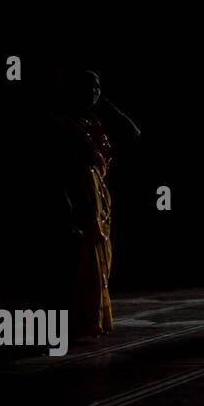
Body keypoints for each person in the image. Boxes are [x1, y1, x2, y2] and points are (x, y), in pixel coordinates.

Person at [50, 70, 139, 337]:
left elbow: (133, 132)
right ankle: (67, 324)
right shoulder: (58, 123)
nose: (92, 94)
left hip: (98, 199)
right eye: (86, 89)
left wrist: (101, 101)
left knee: (97, 259)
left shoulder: (93, 122)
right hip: (74, 197)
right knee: (73, 261)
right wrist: (64, 208)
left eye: (97, 89)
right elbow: (51, 169)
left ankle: (87, 321)